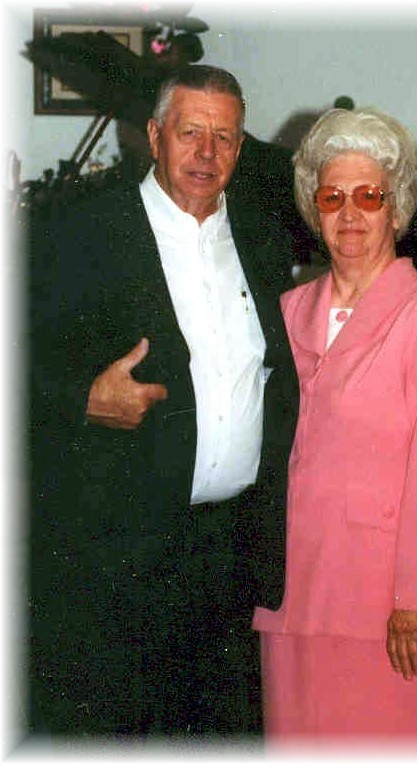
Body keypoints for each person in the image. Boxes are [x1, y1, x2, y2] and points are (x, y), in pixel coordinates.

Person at [28, 65, 298, 739]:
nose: (207, 152)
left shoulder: (261, 237)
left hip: (228, 551)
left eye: (224, 137)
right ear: (154, 136)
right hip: (115, 557)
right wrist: (81, 398)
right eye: (189, 132)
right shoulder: (80, 231)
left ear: (240, 147)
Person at [253, 107, 417, 749]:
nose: (350, 213)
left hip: (393, 614)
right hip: (293, 600)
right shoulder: (284, 313)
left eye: (369, 196)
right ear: (314, 208)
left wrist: (416, 599)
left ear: (397, 208)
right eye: (332, 197)